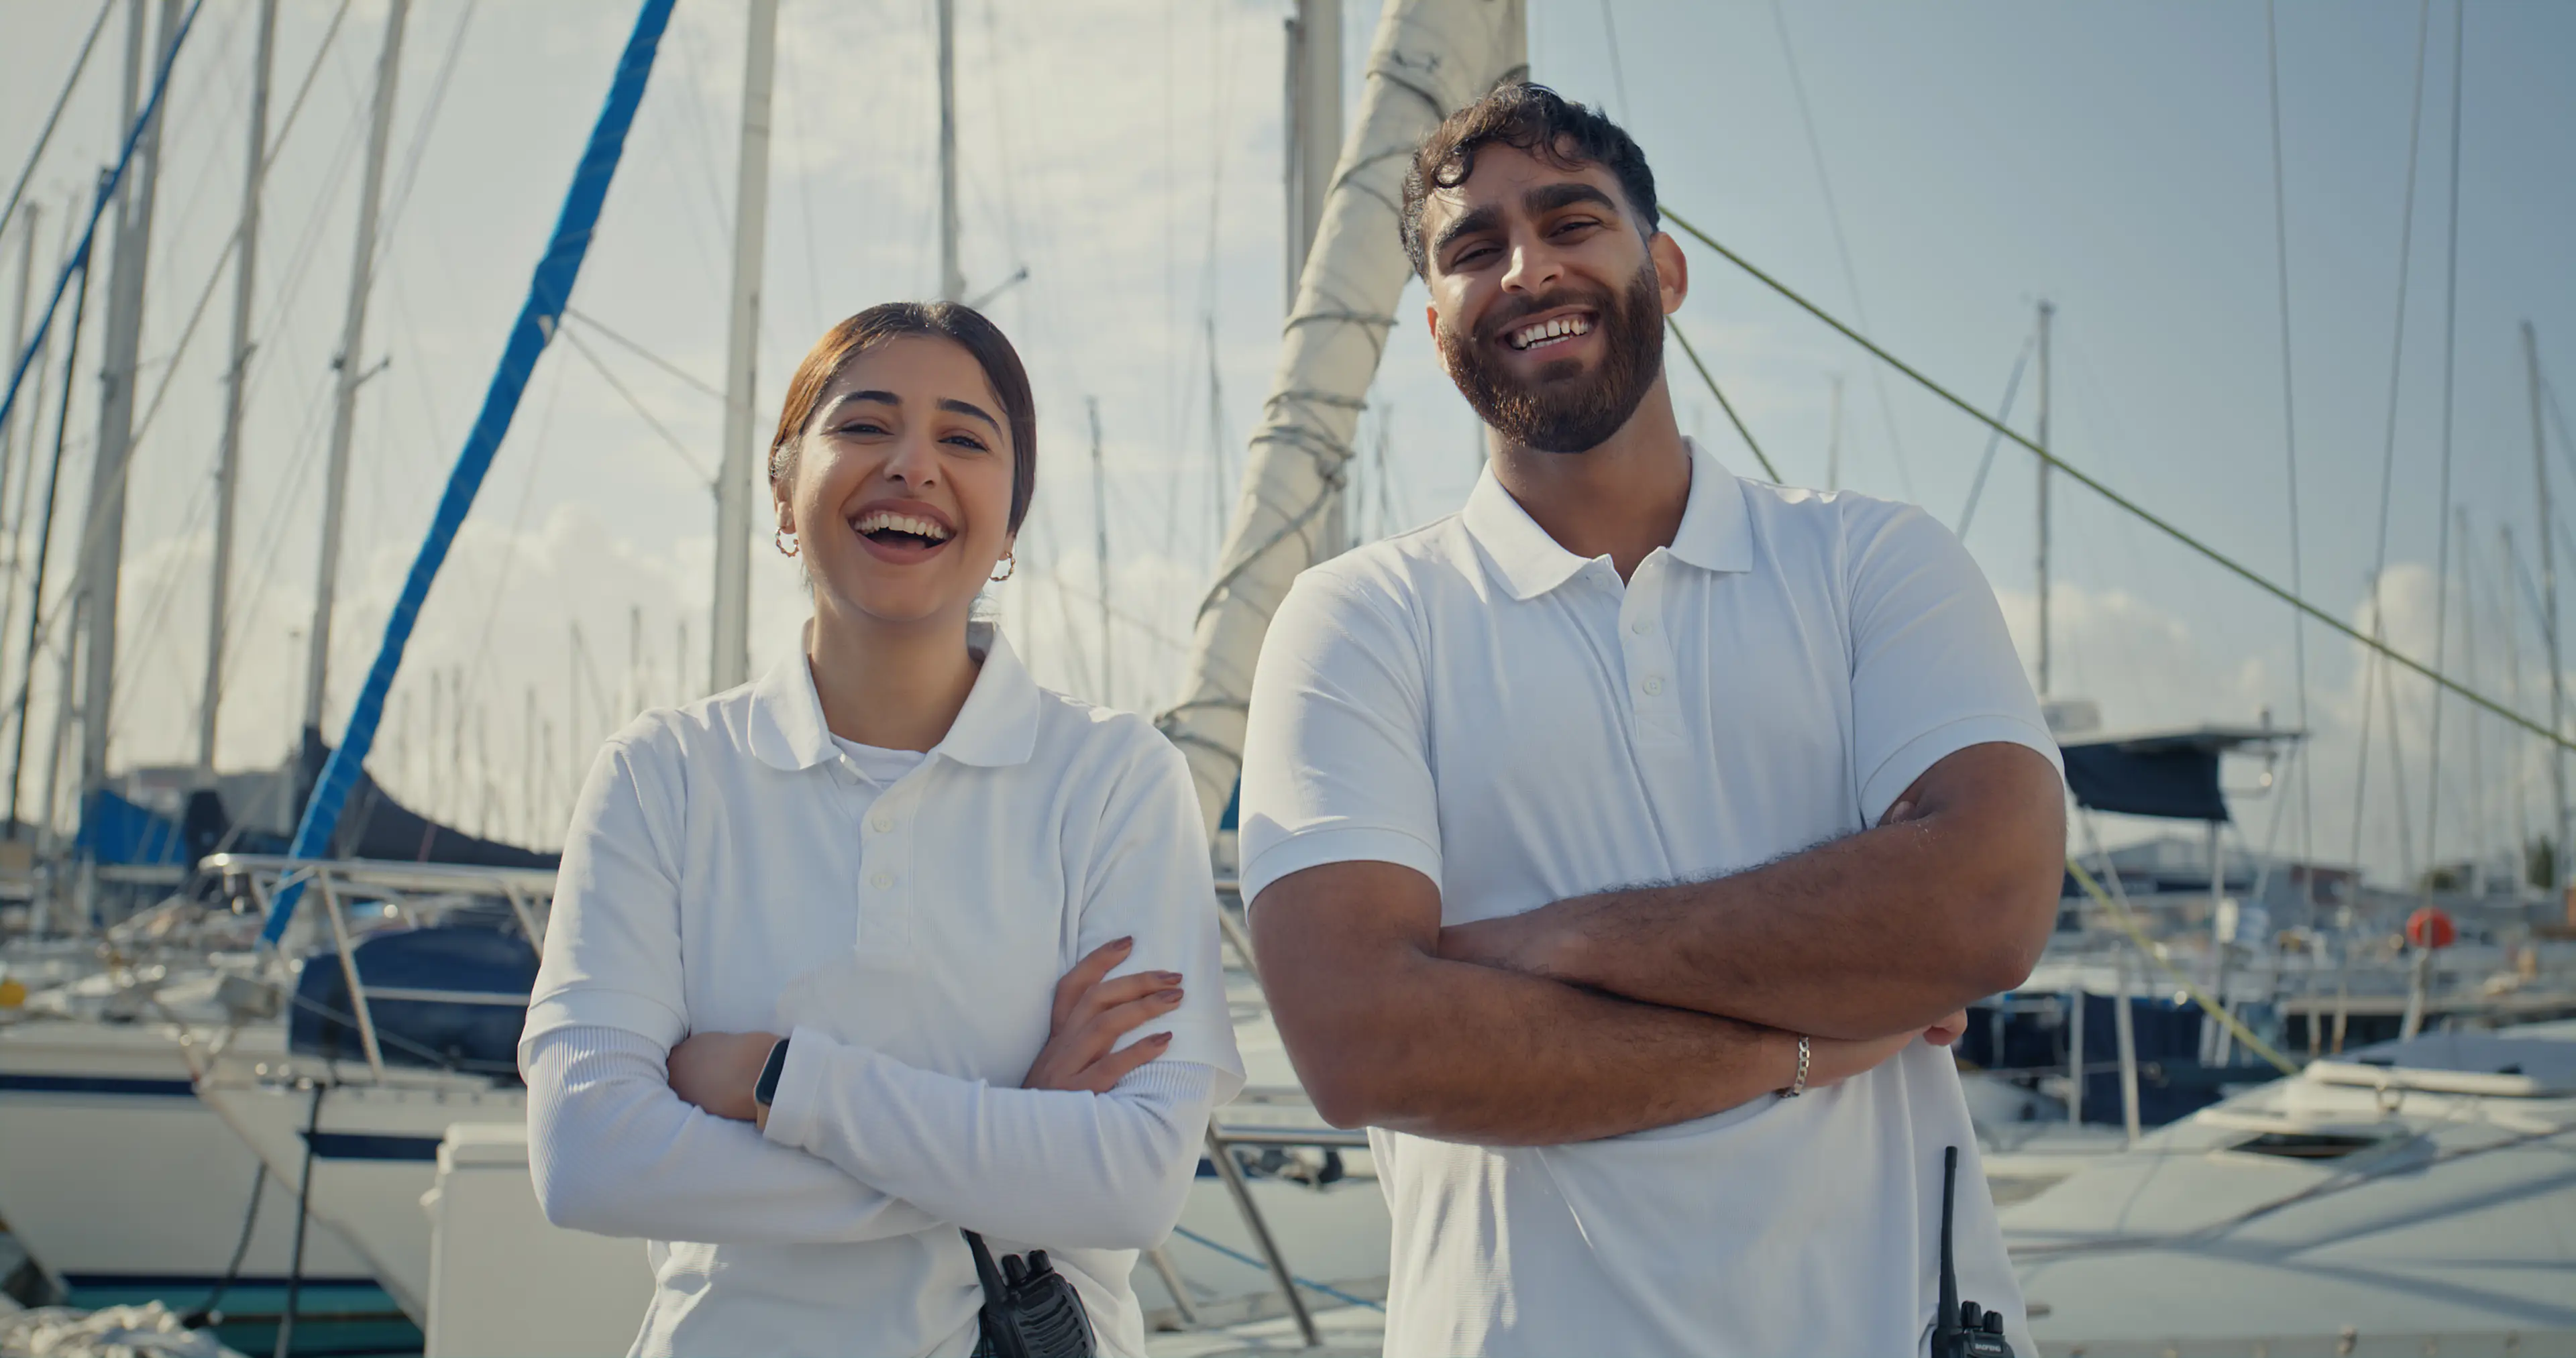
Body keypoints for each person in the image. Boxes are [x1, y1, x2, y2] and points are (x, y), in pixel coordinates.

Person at [1238, 83, 2065, 1357]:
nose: (1527, 269)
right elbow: (1365, 1041)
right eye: (1474, 251)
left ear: (1665, 270)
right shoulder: (1357, 620)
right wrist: (1812, 1043)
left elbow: (1986, 906)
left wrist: (1540, 944)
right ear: (1435, 322)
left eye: (1573, 221)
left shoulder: (1873, 564)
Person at [520, 302, 1242, 1358]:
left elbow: (1132, 1183)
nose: (912, 466)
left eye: (963, 438)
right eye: (863, 426)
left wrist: (782, 1082)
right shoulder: (662, 774)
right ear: (782, 482)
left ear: (1011, 517)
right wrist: (1013, 1145)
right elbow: (587, 1153)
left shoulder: (1116, 781)